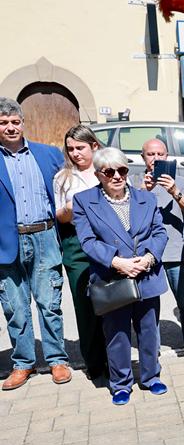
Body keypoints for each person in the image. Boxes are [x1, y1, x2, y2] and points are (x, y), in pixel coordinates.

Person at [72, 148, 169, 405]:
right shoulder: (84, 201)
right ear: (99, 175)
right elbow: (87, 241)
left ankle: (151, 377)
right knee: (117, 334)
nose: (117, 176)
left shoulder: (146, 199)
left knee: (149, 330)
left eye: (122, 170)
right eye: (109, 172)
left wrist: (149, 258)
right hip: (112, 277)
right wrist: (117, 262)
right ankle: (121, 383)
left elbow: (160, 233)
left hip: (146, 273)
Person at [0, 97, 70, 392]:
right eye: (3, 123)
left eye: (15, 122)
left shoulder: (48, 154)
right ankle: (23, 363)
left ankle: (57, 359)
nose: (10, 127)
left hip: (45, 236)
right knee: (15, 306)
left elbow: (69, 188)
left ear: (23, 124)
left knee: (49, 303)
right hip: (6, 241)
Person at [132, 138, 184, 355]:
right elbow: (128, 215)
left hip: (174, 250)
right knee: (149, 307)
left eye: (160, 154)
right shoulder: (134, 181)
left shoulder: (180, 180)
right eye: (151, 154)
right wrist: (143, 190)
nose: (156, 159)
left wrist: (174, 191)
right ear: (143, 157)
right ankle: (152, 348)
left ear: (167, 156)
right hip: (145, 253)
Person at [53, 125, 107, 381]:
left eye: (80, 148)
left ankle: (115, 359)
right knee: (85, 305)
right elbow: (59, 217)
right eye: (70, 149)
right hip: (76, 244)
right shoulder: (63, 178)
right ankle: (94, 364)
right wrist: (68, 208)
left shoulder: (107, 171)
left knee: (112, 302)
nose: (75, 154)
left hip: (107, 240)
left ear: (94, 146)